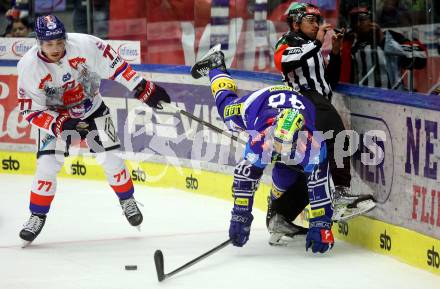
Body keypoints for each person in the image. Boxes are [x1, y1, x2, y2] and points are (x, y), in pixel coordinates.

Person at [17, 15, 171, 246]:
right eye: (49, 44)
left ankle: (127, 200)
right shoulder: (29, 67)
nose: (56, 48)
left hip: (94, 110)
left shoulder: (85, 45)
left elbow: (115, 64)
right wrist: (57, 123)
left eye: (59, 42)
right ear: (39, 42)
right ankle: (37, 215)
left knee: (110, 158)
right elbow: (29, 110)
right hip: (57, 117)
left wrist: (141, 86)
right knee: (47, 165)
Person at [191, 46, 335, 253]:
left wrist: (321, 223)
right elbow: (245, 178)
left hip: (297, 107)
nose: (280, 150)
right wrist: (240, 215)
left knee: (292, 168)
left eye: (285, 146)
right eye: (277, 144)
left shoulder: (312, 145)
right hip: (258, 103)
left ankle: (277, 205)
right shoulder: (260, 139)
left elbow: (319, 183)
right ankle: (216, 66)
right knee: (226, 109)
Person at [271, 3, 376, 244]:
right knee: (341, 139)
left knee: (318, 167)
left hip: (318, 100)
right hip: (302, 102)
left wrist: (336, 51)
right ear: (296, 22)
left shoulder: (312, 47)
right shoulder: (287, 41)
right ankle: (339, 193)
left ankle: (281, 216)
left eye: (318, 20)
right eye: (311, 20)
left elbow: (328, 82)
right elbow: (284, 63)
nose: (317, 24)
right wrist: (317, 43)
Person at [348, 6, 427, 90]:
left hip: (392, 99)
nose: (358, 24)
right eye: (354, 21)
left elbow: (420, 59)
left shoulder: (390, 37)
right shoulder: (349, 44)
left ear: (372, 21)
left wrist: (383, 40)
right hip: (360, 99)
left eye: (362, 19)